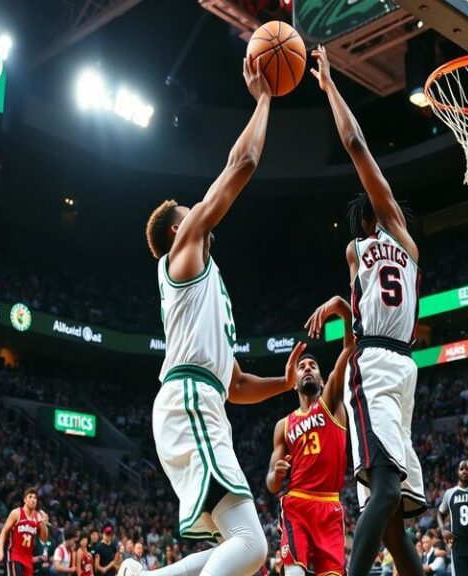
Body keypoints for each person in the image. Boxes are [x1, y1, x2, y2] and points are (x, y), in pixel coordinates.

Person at [119, 56, 303, 576]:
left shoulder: (207, 282)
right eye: (190, 213)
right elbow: (241, 166)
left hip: (203, 400)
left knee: (239, 541)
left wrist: (284, 384)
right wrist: (264, 98)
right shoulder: (180, 257)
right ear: (179, 232)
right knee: (252, 545)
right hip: (188, 401)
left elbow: (237, 382)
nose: (198, 212)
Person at [311, 43, 427, 576]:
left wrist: (340, 303)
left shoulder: (404, 242)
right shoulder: (360, 248)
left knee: (397, 518)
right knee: (383, 493)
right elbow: (355, 143)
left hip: (402, 370)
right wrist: (331, 85)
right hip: (375, 363)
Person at [266, 295, 354, 576]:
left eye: (312, 366)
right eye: (301, 366)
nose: (306, 369)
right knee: (294, 573)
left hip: (329, 505)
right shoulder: (283, 424)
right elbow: (270, 483)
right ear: (294, 385)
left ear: (323, 379)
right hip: (297, 503)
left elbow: (351, 345)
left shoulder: (331, 402)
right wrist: (277, 475)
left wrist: (342, 308)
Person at [0, 487, 49, 576]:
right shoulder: (16, 513)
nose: (33, 500)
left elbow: (43, 539)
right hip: (14, 556)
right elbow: (3, 532)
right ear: (25, 500)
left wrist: (44, 525)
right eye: (30, 497)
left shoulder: (38, 517)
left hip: (28, 559)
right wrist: (0, 551)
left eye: (35, 498)